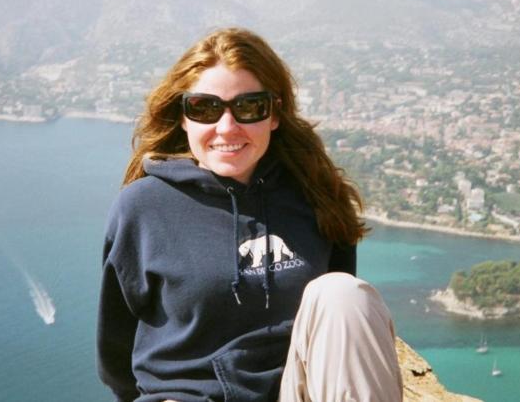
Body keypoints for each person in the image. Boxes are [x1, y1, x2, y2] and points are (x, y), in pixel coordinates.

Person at [97, 27, 402, 402]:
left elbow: (334, 332)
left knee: (343, 294)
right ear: (183, 117)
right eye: (205, 108)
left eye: (248, 107)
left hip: (292, 393)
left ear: (274, 114)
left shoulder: (314, 195)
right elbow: (115, 352)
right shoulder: (143, 208)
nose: (227, 127)